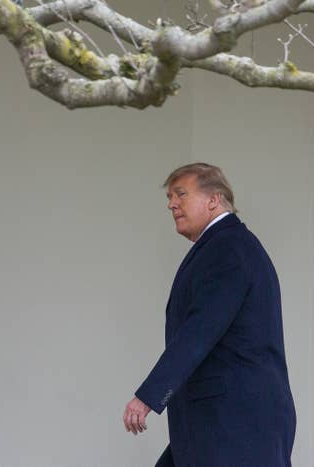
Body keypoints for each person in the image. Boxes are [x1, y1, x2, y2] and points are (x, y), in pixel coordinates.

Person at [122, 163, 296, 467]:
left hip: (234, 424)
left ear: (213, 200)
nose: (171, 203)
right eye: (170, 197)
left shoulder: (227, 248)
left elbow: (200, 330)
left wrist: (150, 395)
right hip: (219, 423)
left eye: (181, 194)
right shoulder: (225, 246)